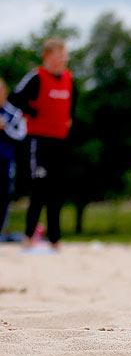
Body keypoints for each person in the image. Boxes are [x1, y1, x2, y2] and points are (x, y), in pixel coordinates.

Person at [12, 38, 76, 251]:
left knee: (57, 191)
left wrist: (68, 119)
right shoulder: (36, 77)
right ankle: (29, 236)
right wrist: (32, 112)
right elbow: (15, 97)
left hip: (60, 140)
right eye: (59, 54)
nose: (63, 59)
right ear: (48, 56)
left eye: (64, 55)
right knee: (39, 189)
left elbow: (71, 103)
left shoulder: (68, 78)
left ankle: (55, 239)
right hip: (39, 141)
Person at [0, 77, 28, 239]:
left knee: (4, 198)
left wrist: (5, 128)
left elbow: (21, 136)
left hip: (5, 162)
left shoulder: (14, 113)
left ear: (5, 92)